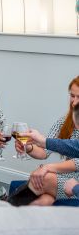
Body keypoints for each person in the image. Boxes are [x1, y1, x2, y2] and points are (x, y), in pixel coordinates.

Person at [15, 76, 79, 205]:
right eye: (72, 96)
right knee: (44, 201)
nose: (74, 102)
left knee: (43, 178)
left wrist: (48, 168)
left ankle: (5, 209)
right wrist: (28, 147)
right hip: (66, 176)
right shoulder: (64, 121)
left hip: (75, 181)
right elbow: (44, 151)